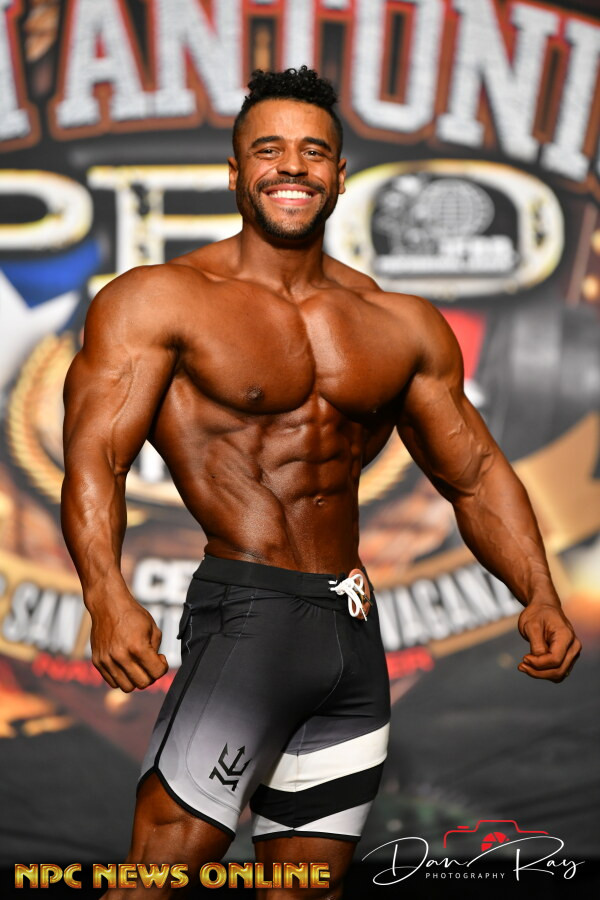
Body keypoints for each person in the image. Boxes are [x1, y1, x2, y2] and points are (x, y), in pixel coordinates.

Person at [61, 67, 581, 898]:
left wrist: (539, 592)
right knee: (156, 875)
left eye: (313, 152)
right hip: (248, 618)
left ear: (339, 175)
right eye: (269, 150)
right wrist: (104, 592)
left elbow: (476, 473)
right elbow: (97, 457)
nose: (291, 167)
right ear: (235, 172)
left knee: (305, 887)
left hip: (354, 633)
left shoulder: (399, 322)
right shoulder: (159, 301)